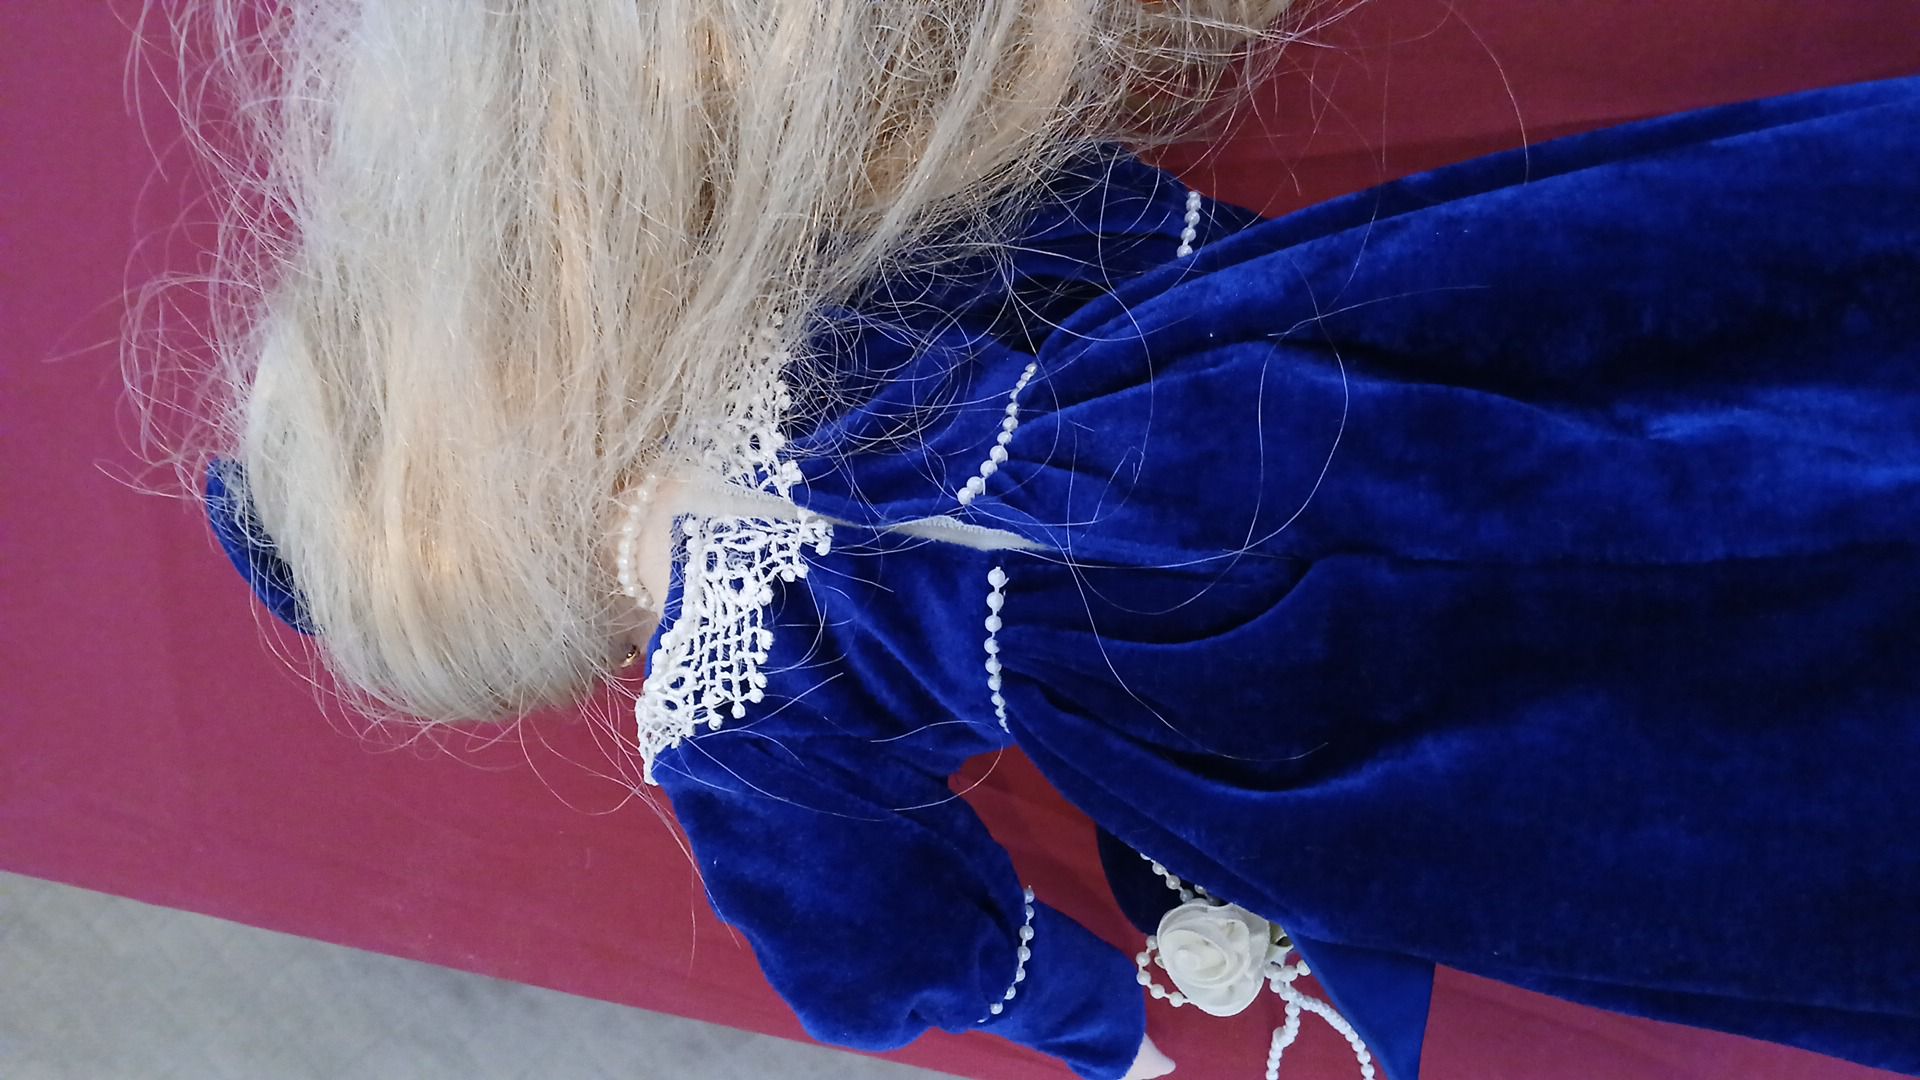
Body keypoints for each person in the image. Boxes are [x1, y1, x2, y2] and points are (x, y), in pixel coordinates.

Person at [163, 3, 1920, 1078]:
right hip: (1287, 380)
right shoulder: (800, 294)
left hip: (1243, 704)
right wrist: (1264, 315)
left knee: (1705, 781)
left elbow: (883, 950)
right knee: (1745, 387)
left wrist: (1104, 1032)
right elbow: (1116, 229)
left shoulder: (718, 708)